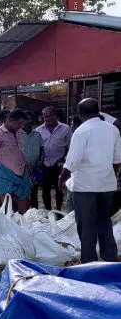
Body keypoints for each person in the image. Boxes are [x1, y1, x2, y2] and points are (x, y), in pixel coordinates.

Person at [59, 98, 121, 263]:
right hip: (106, 185)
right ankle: (109, 258)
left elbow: (73, 160)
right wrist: (108, 175)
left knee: (86, 225)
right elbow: (117, 160)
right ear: (98, 110)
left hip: (84, 186)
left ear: (80, 113)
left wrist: (63, 175)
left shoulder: (82, 131)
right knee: (104, 221)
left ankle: (89, 261)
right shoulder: (113, 130)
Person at [0, 109, 32, 213]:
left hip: (21, 174)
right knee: (7, 209)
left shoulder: (17, 133)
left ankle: (21, 227)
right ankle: (7, 226)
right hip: (4, 174)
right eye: (19, 123)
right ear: (10, 119)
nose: (21, 126)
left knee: (24, 211)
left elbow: (19, 152)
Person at [36, 106, 72, 211]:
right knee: (45, 190)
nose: (47, 119)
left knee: (59, 189)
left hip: (59, 164)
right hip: (44, 165)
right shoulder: (38, 131)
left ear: (55, 115)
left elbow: (70, 147)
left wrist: (65, 161)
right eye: (45, 117)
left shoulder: (65, 129)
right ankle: (48, 211)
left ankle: (58, 210)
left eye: (49, 116)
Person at [21, 119, 45, 209]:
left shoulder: (37, 134)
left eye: (30, 120)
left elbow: (42, 150)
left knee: (34, 191)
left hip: (36, 169)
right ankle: (23, 213)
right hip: (22, 169)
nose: (28, 123)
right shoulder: (17, 134)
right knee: (22, 192)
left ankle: (34, 213)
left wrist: (39, 164)